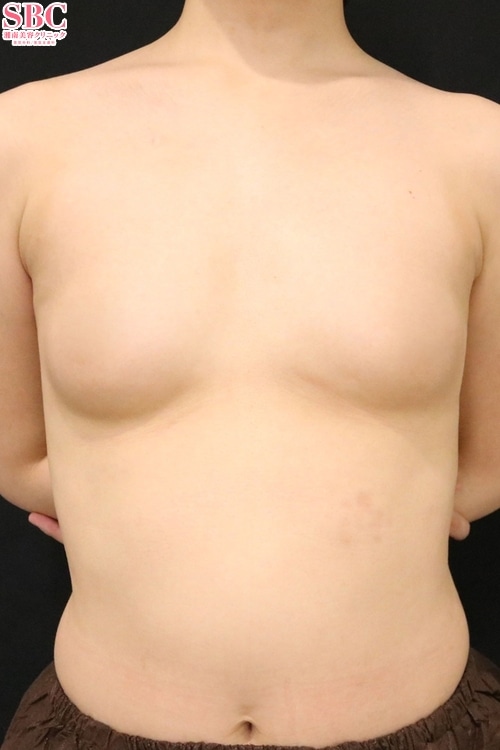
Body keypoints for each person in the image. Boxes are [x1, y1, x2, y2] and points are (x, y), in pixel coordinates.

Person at [1, 0, 500, 748]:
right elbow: (17, 455)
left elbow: (488, 460)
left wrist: (394, 509)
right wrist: (125, 503)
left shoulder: (479, 148)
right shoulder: (21, 138)